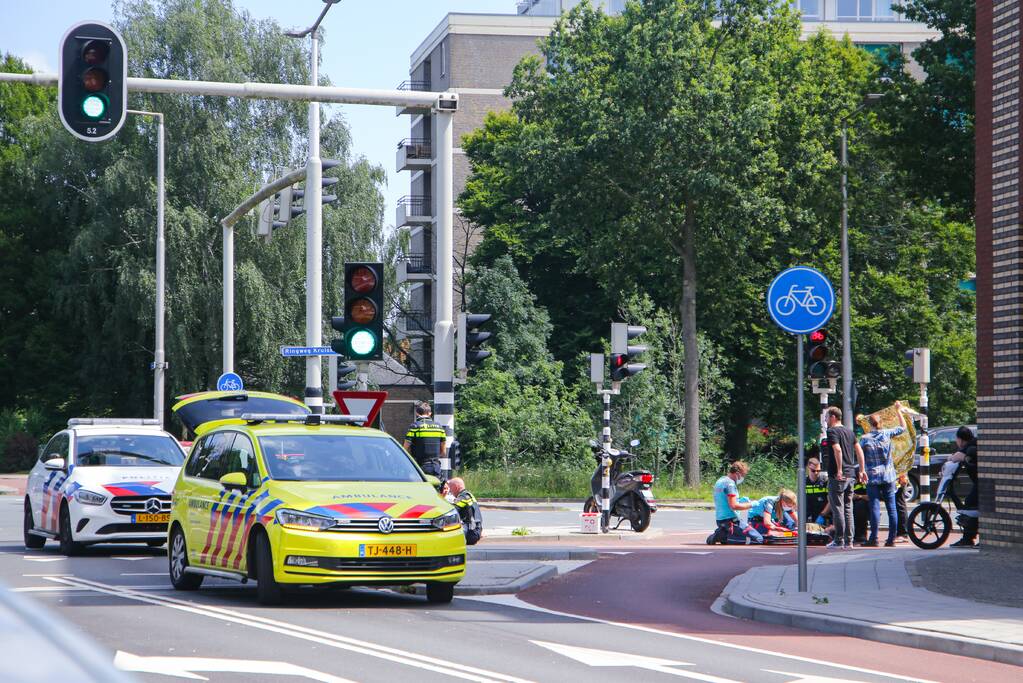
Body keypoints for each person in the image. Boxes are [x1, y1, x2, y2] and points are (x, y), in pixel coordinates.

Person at [857, 407, 907, 547]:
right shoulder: (887, 433)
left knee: (874, 507)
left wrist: (862, 470)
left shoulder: (865, 439)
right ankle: (891, 539)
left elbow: (859, 455)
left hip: (872, 477)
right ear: (881, 423)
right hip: (888, 475)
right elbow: (903, 428)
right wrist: (898, 411)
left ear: (870, 424)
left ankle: (873, 538)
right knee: (892, 507)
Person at [823, 406, 867, 549]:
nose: (825, 420)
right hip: (851, 475)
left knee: (838, 508)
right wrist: (861, 470)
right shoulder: (849, 431)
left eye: (826, 417)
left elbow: (837, 449)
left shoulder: (832, 431)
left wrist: (839, 469)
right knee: (848, 508)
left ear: (833, 417)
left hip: (838, 476)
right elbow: (859, 450)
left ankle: (839, 540)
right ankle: (849, 541)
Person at [711, 461, 763, 544]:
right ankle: (721, 536)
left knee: (745, 536)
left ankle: (724, 533)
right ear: (737, 473)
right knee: (758, 539)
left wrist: (740, 500)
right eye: (742, 475)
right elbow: (734, 506)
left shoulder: (720, 481)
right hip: (731, 520)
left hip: (720, 519)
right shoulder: (730, 485)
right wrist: (751, 504)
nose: (742, 477)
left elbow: (723, 499)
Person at [948, 426, 979, 548]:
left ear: (960, 439)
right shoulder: (972, 444)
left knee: (971, 504)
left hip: (982, 482)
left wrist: (953, 457)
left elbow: (957, 457)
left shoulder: (970, 447)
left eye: (956, 439)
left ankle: (968, 538)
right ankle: (968, 538)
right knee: (972, 504)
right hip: (980, 481)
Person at [403, 402, 447, 480]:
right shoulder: (439, 427)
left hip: (420, 467)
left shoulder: (415, 426)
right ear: (430, 413)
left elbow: (405, 449)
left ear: (417, 413)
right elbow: (443, 453)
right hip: (436, 467)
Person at [444, 477, 482, 545]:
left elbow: (452, 510)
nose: (450, 491)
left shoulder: (463, 497)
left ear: (456, 487)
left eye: (451, 488)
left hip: (470, 533)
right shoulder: (468, 495)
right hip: (475, 530)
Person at [805, 457, 831, 527]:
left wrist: (822, 515)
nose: (816, 473)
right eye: (813, 471)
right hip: (809, 516)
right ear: (808, 468)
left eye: (818, 470)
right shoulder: (803, 482)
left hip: (823, 516)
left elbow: (831, 501)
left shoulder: (825, 481)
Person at [895, 472, 910, 542]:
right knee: (898, 503)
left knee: (899, 503)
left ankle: (903, 533)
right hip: (899, 475)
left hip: (899, 476)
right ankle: (900, 533)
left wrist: (902, 476)